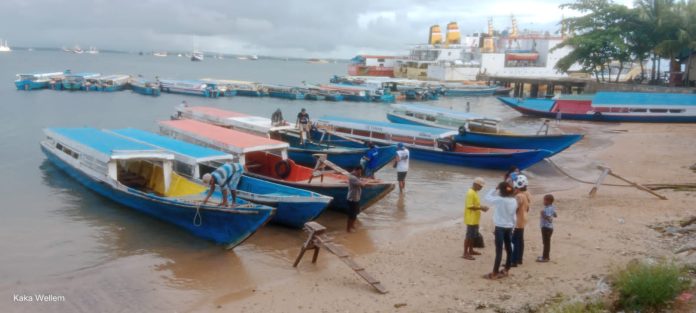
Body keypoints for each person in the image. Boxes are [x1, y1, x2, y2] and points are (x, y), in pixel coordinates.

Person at [483, 181, 518, 279]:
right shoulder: (514, 201)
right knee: (508, 248)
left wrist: (495, 188)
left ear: (501, 191)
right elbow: (513, 216)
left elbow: (487, 197)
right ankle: (506, 269)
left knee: (499, 250)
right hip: (509, 226)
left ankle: (494, 273)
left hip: (500, 227)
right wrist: (513, 227)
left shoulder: (500, 200)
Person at [462, 177, 489, 260]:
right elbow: (469, 206)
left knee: (473, 235)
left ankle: (471, 250)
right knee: (469, 236)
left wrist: (480, 207)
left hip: (475, 218)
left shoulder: (474, 192)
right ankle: (465, 253)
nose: (481, 188)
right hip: (471, 218)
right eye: (480, 186)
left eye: (481, 186)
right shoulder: (470, 193)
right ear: (475, 184)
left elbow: (475, 204)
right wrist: (481, 208)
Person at [511, 175, 531, 267]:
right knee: (520, 240)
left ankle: (513, 261)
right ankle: (519, 259)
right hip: (523, 218)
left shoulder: (519, 196)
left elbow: (514, 208)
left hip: (518, 220)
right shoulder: (526, 194)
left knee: (514, 240)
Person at [346, 167, 368, 232]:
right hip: (352, 199)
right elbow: (362, 184)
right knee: (351, 214)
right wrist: (365, 182)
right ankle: (348, 229)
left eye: (360, 172)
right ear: (355, 170)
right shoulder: (352, 177)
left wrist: (362, 178)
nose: (360, 173)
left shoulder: (356, 176)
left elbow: (361, 181)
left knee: (355, 213)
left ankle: (352, 225)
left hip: (356, 198)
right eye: (359, 172)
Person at [537, 194, 558, 262]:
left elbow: (549, 219)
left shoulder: (548, 208)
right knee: (546, 243)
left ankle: (545, 258)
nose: (543, 201)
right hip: (549, 228)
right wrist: (553, 214)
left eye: (544, 200)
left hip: (546, 228)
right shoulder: (552, 207)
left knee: (546, 243)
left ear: (548, 201)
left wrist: (543, 215)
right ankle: (545, 256)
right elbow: (555, 215)